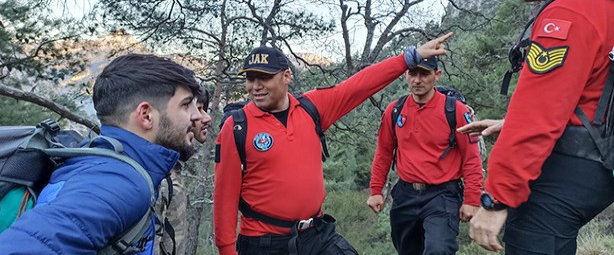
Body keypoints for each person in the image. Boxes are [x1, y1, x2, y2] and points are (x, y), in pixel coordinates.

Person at [464, 0, 614, 254]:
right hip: (602, 158)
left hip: (573, 167)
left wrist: (496, 198)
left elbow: (538, 115)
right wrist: (510, 124)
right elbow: (591, 90)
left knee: (532, 236)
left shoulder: (569, 12)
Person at [213, 34, 453, 255]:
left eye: (264, 78)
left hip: (315, 235)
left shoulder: (310, 108)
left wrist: (409, 58)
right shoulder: (237, 127)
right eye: (250, 78)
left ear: (286, 76)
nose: (255, 86)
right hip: (264, 243)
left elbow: (359, 86)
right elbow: (225, 196)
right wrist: (226, 249)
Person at [0, 53, 202, 254]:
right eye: (185, 105)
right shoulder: (118, 182)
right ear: (146, 115)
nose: (197, 116)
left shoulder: (100, 160)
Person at [367, 56, 483, 255]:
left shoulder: (455, 110)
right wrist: (376, 190)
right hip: (405, 194)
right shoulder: (395, 110)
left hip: (443, 195)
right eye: (413, 73)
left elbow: (471, 158)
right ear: (406, 75)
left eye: (424, 74)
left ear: (436, 75)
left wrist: (472, 199)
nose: (417, 80)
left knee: (438, 250)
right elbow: (384, 152)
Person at [155, 88, 213, 255]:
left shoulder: (173, 168)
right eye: (198, 108)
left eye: (202, 109)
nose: (206, 118)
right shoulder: (159, 179)